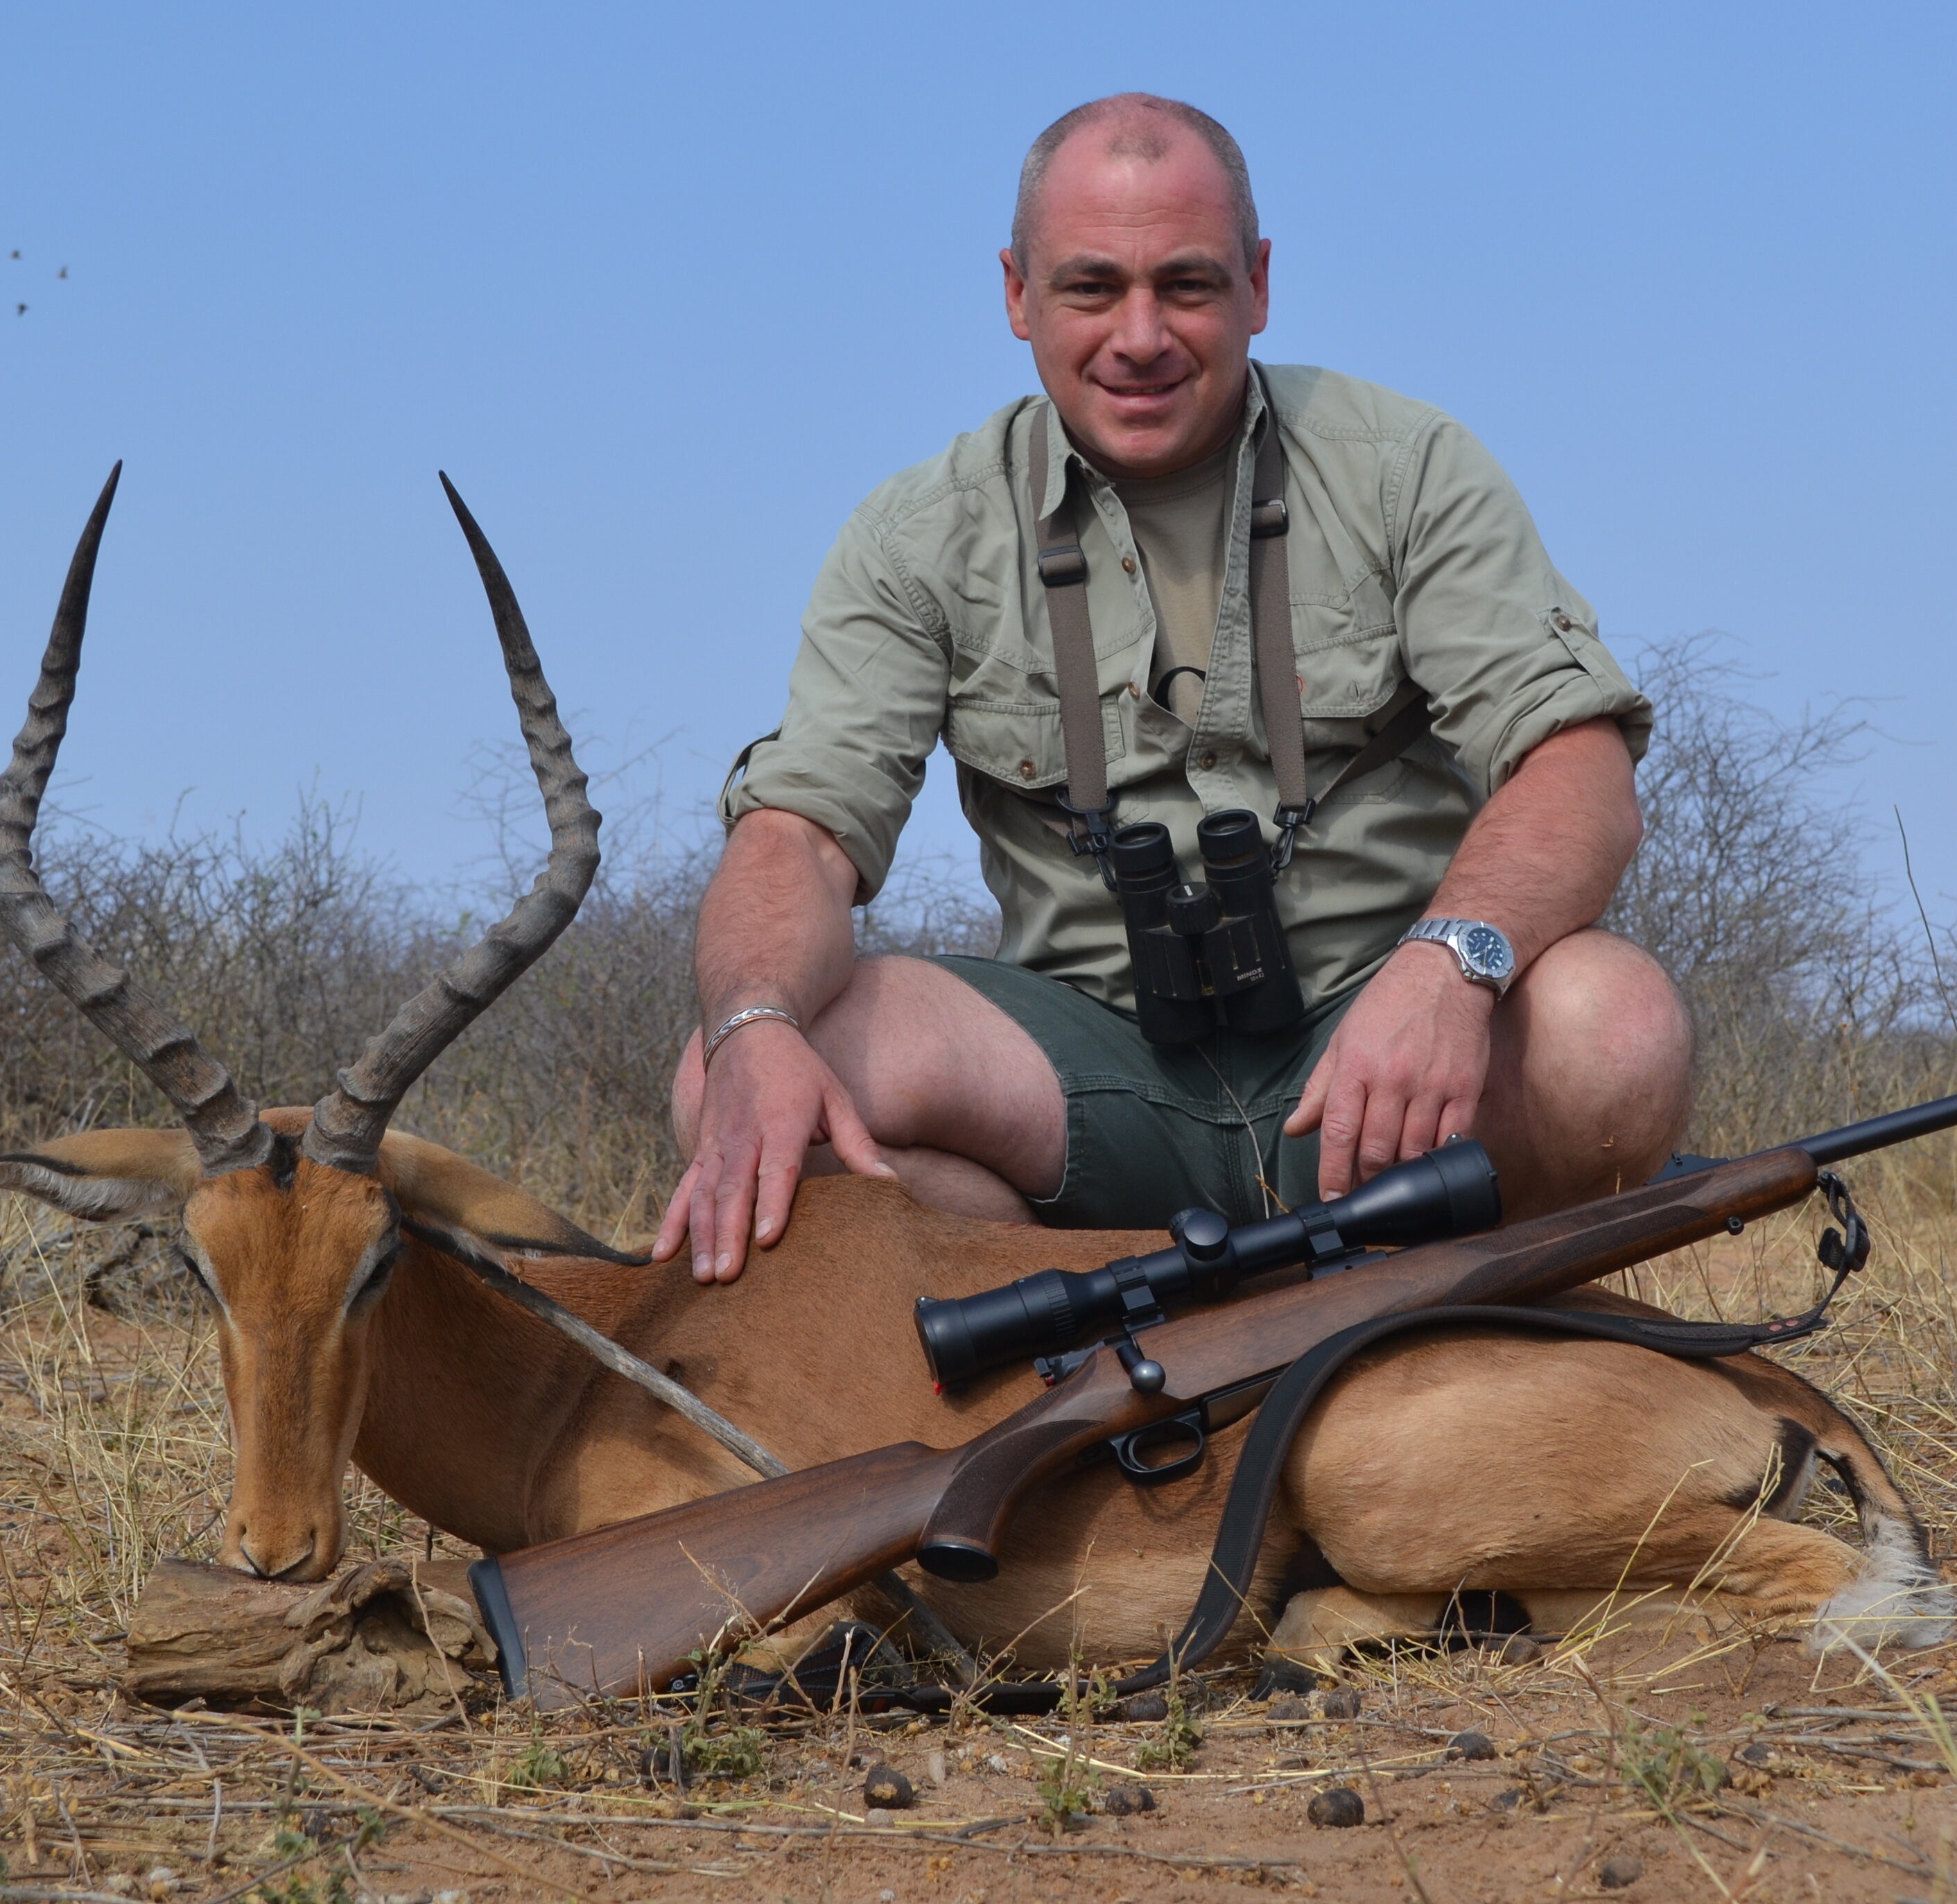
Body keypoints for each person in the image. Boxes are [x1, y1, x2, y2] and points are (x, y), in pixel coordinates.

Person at [658, 93, 1694, 1283]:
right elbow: (798, 832)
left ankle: (1464, 1312)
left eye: (1187, 286)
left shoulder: (1406, 468)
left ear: (1257, 285)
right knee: (729, 1073)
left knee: (1611, 1029)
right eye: (1091, 288)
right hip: (1092, 1082)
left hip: (1385, 1072)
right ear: (1015, 294)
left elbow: (1578, 765)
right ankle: (1070, 1318)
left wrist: (1446, 967)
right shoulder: (916, 533)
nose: (1139, 335)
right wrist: (751, 1025)